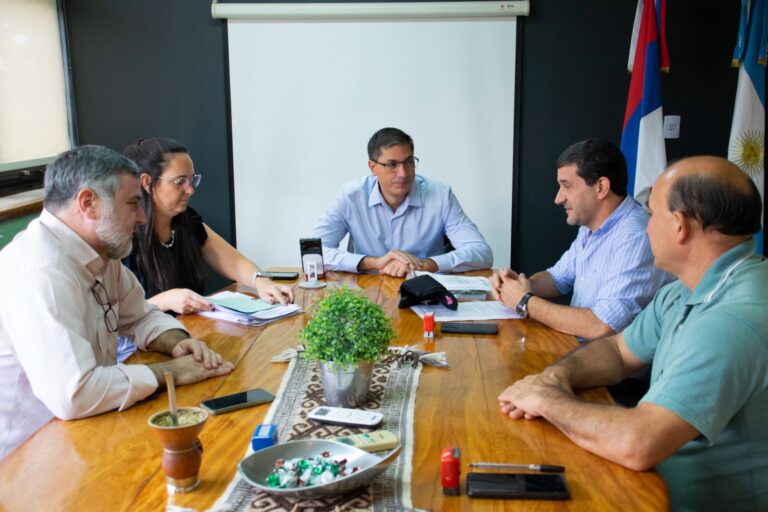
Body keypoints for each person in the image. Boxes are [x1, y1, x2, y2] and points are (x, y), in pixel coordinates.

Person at [498, 156, 767, 511]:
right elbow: (618, 351)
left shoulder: (730, 320)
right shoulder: (685, 289)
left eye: (651, 214)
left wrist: (548, 400)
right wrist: (555, 377)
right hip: (644, 484)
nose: (645, 225)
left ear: (679, 226)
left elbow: (639, 443)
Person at [0, 145, 234, 459]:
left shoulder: (100, 251)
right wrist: (172, 371)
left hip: (87, 428)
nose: (142, 217)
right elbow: (76, 394)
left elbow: (141, 316)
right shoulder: (41, 273)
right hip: (28, 457)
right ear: (88, 203)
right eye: (133, 203)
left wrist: (178, 342)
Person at [117, 138, 294, 361]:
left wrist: (261, 281)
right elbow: (114, 318)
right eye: (180, 181)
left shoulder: (187, 221)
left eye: (192, 180)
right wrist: (165, 300)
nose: (190, 190)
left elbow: (233, 261)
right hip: (142, 350)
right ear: (146, 182)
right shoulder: (123, 237)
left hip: (192, 340)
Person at [491, 139, 668, 341]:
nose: (558, 198)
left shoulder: (635, 236)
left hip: (606, 358)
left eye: (566, 186)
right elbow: (557, 278)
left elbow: (603, 325)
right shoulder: (590, 226)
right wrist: (522, 285)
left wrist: (524, 302)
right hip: (577, 347)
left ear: (601, 187)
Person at [310, 127, 493, 277]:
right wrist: (374, 262)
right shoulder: (350, 197)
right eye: (392, 164)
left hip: (426, 287)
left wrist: (423, 264)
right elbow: (312, 253)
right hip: (368, 290)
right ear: (372, 167)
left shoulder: (440, 196)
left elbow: (481, 252)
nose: (403, 173)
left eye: (409, 162)